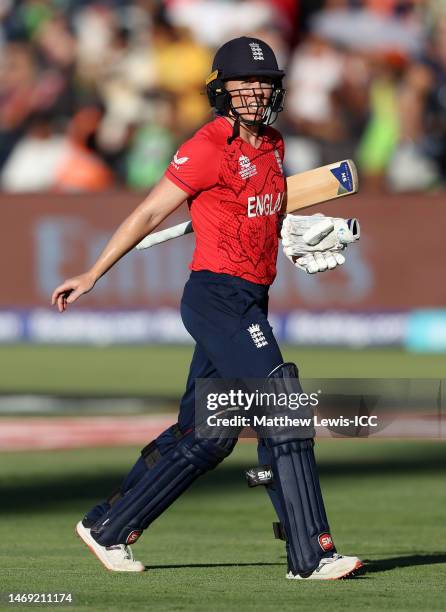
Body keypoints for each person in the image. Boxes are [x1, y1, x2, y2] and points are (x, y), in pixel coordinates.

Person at [51, 36, 363, 580]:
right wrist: (93, 273)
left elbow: (266, 207)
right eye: (243, 84)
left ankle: (108, 527)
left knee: (209, 435)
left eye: (263, 84)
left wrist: (295, 231)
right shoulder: (205, 148)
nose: (254, 93)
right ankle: (311, 555)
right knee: (283, 404)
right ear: (221, 90)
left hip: (250, 296)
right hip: (216, 297)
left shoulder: (275, 145)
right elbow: (149, 214)